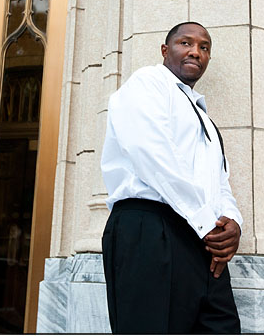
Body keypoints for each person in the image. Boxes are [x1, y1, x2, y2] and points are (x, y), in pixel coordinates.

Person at [100, 21, 243, 334]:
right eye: (185, 43)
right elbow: (153, 155)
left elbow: (219, 182)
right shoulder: (146, 83)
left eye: (204, 47)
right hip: (149, 231)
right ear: (165, 50)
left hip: (203, 244)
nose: (195, 51)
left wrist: (231, 224)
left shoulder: (205, 120)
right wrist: (207, 223)